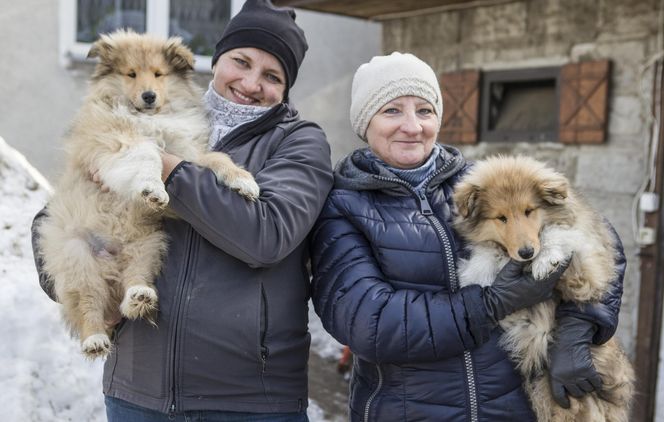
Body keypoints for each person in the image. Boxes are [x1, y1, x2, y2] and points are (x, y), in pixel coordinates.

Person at [31, 0, 333, 420]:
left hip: (247, 401)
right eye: (240, 62)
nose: (249, 82)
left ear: (286, 87)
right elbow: (62, 209)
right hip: (139, 392)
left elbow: (266, 236)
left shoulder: (299, 142)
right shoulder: (153, 109)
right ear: (217, 60)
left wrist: (164, 166)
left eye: (271, 75)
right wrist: (82, 285)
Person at [309, 52, 626, 421]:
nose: (412, 126)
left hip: (513, 408)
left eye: (425, 111)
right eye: (392, 110)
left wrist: (577, 328)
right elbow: (369, 323)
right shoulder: (343, 206)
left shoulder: (482, 184)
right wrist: (489, 304)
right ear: (365, 122)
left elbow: (603, 241)